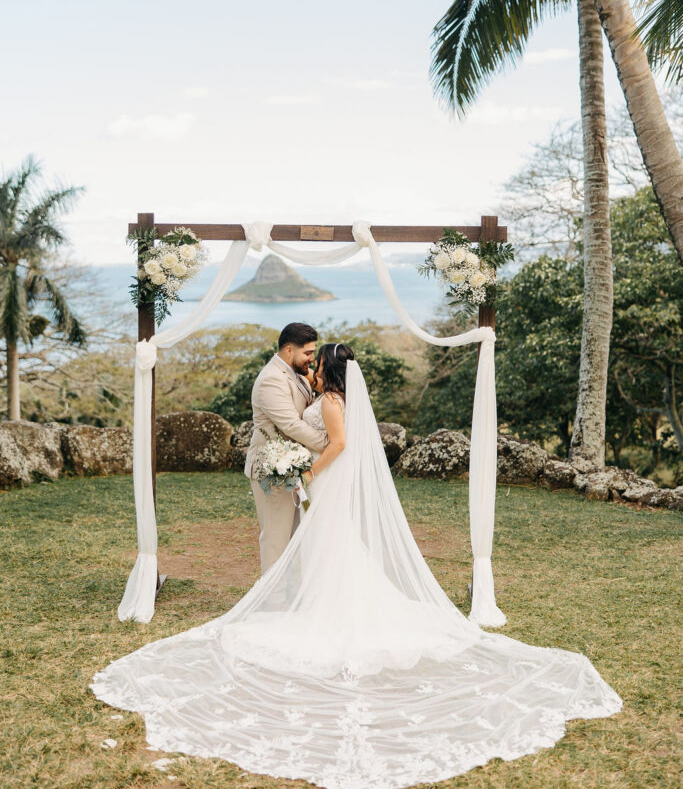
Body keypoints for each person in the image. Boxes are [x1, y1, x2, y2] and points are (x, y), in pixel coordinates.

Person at [91, 345, 622, 789]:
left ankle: (326, 610)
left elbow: (338, 444)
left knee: (331, 546)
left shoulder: (332, 400)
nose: (312, 368)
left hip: (323, 479)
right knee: (333, 548)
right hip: (326, 482)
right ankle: (324, 603)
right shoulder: (332, 396)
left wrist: (306, 476)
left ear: (327, 370)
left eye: (317, 363)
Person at [245, 322, 328, 573]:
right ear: (289, 350)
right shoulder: (271, 379)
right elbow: (291, 425)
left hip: (295, 466)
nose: (312, 360)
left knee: (296, 537)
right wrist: (329, 444)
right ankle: (273, 603)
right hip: (273, 468)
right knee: (275, 538)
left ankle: (292, 597)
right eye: (308, 353)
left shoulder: (296, 373)